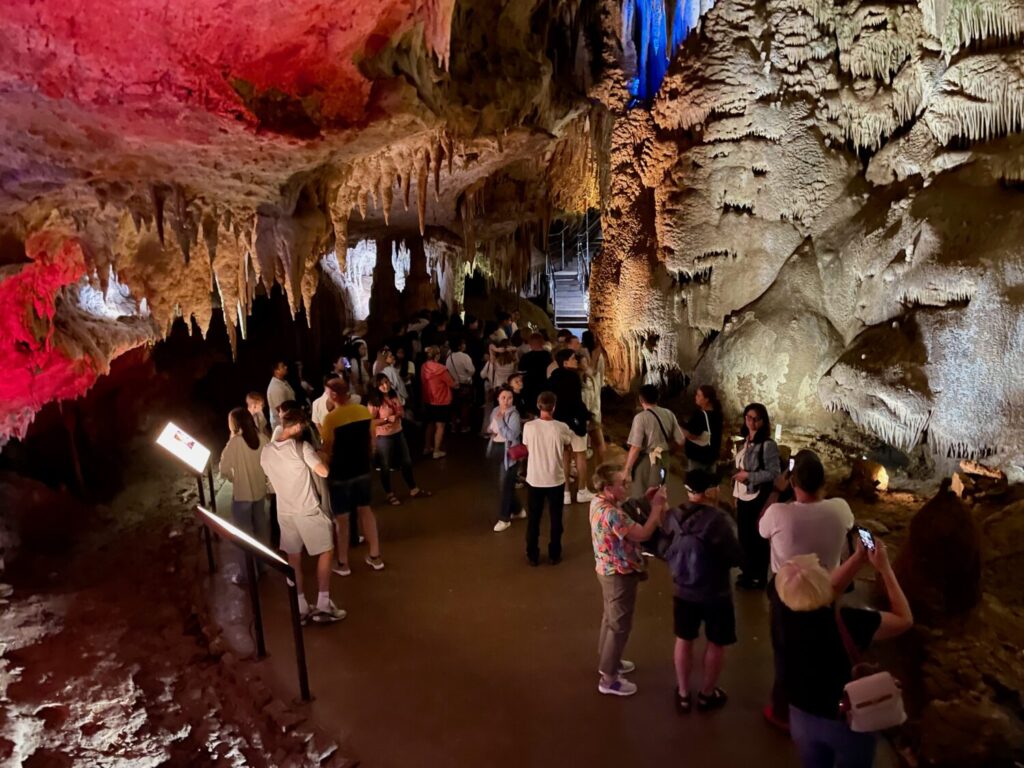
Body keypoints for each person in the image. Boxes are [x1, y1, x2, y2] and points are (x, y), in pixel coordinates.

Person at [778, 544, 912, 768]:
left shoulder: (783, 608)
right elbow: (904, 619)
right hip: (847, 720)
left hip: (801, 716)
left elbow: (822, 589)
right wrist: (886, 569)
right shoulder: (850, 622)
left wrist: (859, 558)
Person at [760, 450, 856, 729]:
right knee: (823, 647)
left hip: (787, 590)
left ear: (793, 483)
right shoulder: (840, 508)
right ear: (823, 482)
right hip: (826, 590)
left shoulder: (779, 513)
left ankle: (783, 711)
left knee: (785, 649)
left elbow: (761, 529)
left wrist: (776, 494)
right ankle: (821, 704)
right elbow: (850, 526)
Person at [660, 470, 742, 713]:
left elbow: (664, 548)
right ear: (709, 491)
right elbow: (735, 557)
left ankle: (684, 694)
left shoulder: (673, 515)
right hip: (716, 592)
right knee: (716, 642)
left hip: (684, 591)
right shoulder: (720, 519)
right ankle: (707, 694)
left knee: (684, 639)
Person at [259, 407, 346, 623]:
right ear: (297, 426)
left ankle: (300, 606)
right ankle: (324, 603)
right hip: (307, 509)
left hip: (285, 512)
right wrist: (322, 456)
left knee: (293, 557)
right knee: (326, 551)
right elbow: (323, 471)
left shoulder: (267, 451)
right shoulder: (301, 447)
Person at [589, 463, 666, 697]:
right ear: (609, 488)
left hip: (606, 568)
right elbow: (642, 533)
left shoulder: (598, 502)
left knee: (610, 618)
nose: (627, 485)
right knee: (619, 625)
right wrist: (656, 509)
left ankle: (608, 661)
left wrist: (645, 498)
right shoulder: (612, 513)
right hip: (619, 573)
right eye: (623, 483)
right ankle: (609, 678)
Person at [319, 378, 384, 574]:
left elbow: (327, 449)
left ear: (332, 395)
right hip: (362, 469)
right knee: (366, 510)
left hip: (340, 473)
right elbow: (372, 441)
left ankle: (342, 562)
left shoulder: (331, 419)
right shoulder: (363, 411)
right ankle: (375, 556)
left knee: (343, 519)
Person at [522, 391, 573, 566]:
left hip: (535, 478)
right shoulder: (562, 427)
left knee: (534, 519)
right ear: (554, 407)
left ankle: (532, 554)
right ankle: (554, 553)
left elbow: (527, 447)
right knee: (556, 518)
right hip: (555, 478)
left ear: (538, 406)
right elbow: (568, 447)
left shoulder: (529, 427)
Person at [733, 402, 781, 589]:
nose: (751, 422)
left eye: (756, 419)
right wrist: (736, 493)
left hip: (757, 496)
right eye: (748, 418)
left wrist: (749, 476)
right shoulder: (745, 441)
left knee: (757, 537)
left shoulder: (768, 445)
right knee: (744, 536)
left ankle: (759, 576)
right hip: (743, 495)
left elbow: (773, 473)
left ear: (763, 421)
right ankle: (747, 572)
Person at [366, 374, 430, 506]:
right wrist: (385, 420)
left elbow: (401, 410)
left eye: (387, 382)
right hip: (383, 436)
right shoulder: (374, 402)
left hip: (398, 432)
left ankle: (414, 489)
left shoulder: (393, 395)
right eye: (382, 384)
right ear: (376, 387)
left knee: (406, 461)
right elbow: (370, 422)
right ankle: (389, 494)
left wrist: (398, 415)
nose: (386, 386)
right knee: (386, 466)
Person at [220, 408, 270, 553]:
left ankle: (247, 569)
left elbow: (223, 468)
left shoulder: (235, 443)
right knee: (261, 528)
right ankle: (264, 564)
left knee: (243, 533)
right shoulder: (262, 438)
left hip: (242, 494)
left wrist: (233, 477)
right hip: (260, 491)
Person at [547, 349, 593, 504]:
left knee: (564, 457)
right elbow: (576, 401)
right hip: (574, 422)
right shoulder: (573, 377)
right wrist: (586, 416)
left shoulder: (553, 378)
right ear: (565, 362)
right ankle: (582, 490)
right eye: (573, 358)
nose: (576, 361)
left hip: (559, 422)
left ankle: (565, 492)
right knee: (580, 455)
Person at [623, 385, 684, 498]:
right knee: (659, 494)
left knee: (641, 496)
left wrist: (626, 469)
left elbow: (636, 447)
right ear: (658, 397)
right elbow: (680, 440)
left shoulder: (641, 418)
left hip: (646, 460)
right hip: (664, 459)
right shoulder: (669, 414)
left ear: (641, 400)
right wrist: (668, 452)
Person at [488, 386, 526, 532]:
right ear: (498, 398)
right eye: (503, 398)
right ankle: (517, 509)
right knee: (504, 485)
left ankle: (504, 518)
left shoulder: (513, 415)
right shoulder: (494, 411)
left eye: (509, 398)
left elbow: (512, 435)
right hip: (497, 450)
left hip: (509, 454)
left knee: (505, 486)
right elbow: (490, 429)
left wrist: (501, 422)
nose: (506, 401)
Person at [420, 346, 455, 459]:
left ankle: (426, 447)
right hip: (441, 401)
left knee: (429, 424)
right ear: (437, 356)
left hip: (428, 399)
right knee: (440, 426)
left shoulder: (423, 366)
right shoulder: (441, 369)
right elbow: (451, 383)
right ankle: (436, 450)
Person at [683, 384, 723, 472]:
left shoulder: (700, 415)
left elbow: (692, 435)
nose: (696, 397)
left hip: (698, 456)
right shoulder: (718, 414)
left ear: (706, 399)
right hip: (712, 455)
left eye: (699, 395)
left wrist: (678, 429)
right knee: (710, 483)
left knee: (696, 483)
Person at [579, 354, 606, 465]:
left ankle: (599, 469)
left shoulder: (592, 379)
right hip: (584, 417)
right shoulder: (581, 381)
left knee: (599, 444)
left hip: (593, 415)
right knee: (582, 450)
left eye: (587, 362)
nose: (587, 365)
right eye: (584, 362)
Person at [445, 337, 476, 433]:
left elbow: (447, 371)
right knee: (465, 407)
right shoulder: (465, 357)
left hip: (453, 385)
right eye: (463, 343)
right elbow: (472, 370)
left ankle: (453, 426)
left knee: (454, 407)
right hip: (465, 385)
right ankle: (464, 426)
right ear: (459, 346)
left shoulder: (449, 357)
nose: (465, 345)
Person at [519, 333, 553, 417]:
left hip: (529, 386)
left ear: (529, 343)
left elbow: (520, 372)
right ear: (542, 342)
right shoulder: (548, 356)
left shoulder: (526, 357)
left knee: (531, 410)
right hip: (544, 385)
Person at [267, 361, 296, 429]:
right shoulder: (275, 387)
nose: (286, 367)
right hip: (283, 425)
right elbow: (281, 409)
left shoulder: (283, 382)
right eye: (282, 366)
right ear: (276, 371)